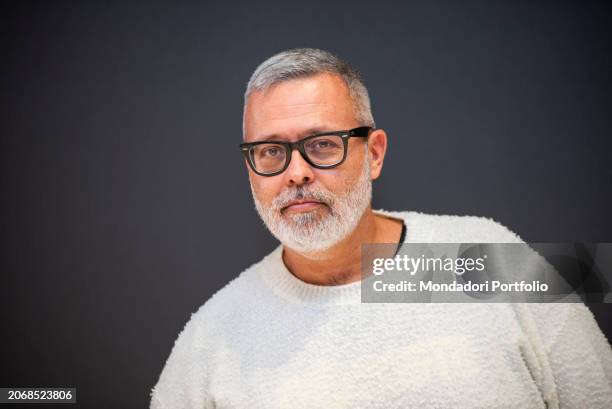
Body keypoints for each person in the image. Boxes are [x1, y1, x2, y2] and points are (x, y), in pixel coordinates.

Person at [150, 48, 612, 408]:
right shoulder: (214, 337)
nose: (296, 173)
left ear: (373, 154)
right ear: (250, 167)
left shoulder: (487, 257)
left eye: (323, 145)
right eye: (270, 151)